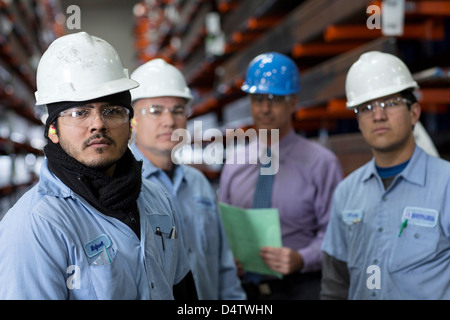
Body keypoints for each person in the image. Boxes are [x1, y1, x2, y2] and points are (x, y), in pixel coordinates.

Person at [0, 32, 196, 300]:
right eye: (80, 112)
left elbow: (183, 291)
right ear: (53, 130)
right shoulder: (36, 225)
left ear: (130, 124)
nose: (98, 124)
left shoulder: (158, 199)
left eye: (112, 110)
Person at [321, 51, 450, 299]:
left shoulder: (445, 185)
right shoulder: (346, 193)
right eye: (366, 107)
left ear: (414, 113)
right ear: (358, 121)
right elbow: (335, 283)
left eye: (390, 103)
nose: (378, 115)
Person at [218, 52, 344, 300]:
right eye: (258, 99)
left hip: (301, 285)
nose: (265, 108)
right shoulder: (234, 164)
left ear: (293, 101)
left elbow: (336, 235)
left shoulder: (321, 164)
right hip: (243, 289)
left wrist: (301, 258)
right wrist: (228, 256)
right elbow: (224, 227)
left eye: (274, 99)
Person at [129, 58, 246, 300]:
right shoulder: (123, 188)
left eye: (178, 110)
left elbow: (224, 266)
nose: (169, 121)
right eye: (155, 110)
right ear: (133, 119)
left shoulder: (199, 184)